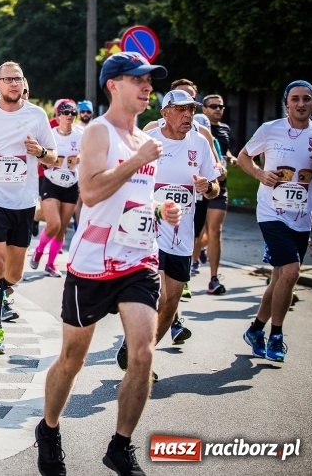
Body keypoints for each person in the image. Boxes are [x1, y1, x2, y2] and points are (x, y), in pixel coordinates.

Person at [36, 52, 179, 476]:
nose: (147, 86)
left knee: (143, 352)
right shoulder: (99, 132)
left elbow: (133, 199)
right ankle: (48, 428)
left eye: (150, 79)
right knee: (72, 359)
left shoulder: (144, 140)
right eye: (139, 79)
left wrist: (159, 209)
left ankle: (120, 445)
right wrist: (137, 161)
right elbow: (93, 192)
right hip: (92, 265)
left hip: (138, 260)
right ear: (114, 84)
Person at [117, 89, 220, 378]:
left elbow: (214, 188)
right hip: (150, 231)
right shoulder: (150, 143)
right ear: (165, 113)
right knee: (158, 295)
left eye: (191, 109)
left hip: (182, 234)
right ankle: (141, 360)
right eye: (181, 109)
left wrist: (206, 188)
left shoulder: (199, 143)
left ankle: (139, 347)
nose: (188, 115)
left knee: (172, 301)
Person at [0, 61, 57, 354]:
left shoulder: (36, 115)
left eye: (17, 79)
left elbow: (53, 156)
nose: (13, 84)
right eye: (7, 79)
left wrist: (41, 152)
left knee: (14, 274)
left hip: (23, 201)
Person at [238, 80, 312, 363]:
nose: (301, 104)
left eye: (307, 99)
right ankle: (276, 335)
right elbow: (244, 157)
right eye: (295, 99)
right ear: (287, 103)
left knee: (281, 276)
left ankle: (256, 329)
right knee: (292, 271)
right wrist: (260, 175)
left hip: (302, 216)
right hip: (271, 212)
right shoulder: (270, 129)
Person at [31, 99, 83, 277]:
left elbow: (88, 153)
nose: (70, 116)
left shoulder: (81, 135)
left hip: (71, 185)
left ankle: (51, 264)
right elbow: (40, 155)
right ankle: (39, 250)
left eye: (73, 113)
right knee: (54, 224)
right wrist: (45, 161)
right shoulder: (50, 134)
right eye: (66, 112)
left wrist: (82, 158)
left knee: (61, 229)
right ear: (58, 115)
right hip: (51, 183)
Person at [200, 93, 236, 294]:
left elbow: (224, 152)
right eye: (213, 106)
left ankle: (213, 277)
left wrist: (229, 159)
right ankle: (192, 263)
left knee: (215, 231)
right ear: (203, 109)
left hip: (219, 187)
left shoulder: (225, 129)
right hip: (196, 189)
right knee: (198, 234)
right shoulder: (195, 128)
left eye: (220, 106)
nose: (217, 109)